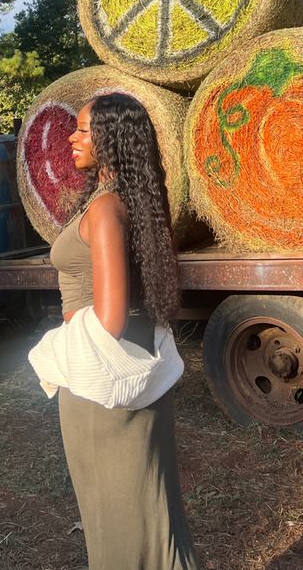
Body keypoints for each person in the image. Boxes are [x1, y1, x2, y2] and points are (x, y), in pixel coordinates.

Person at [44, 93, 200, 570]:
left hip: (101, 381)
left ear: (113, 139)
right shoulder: (126, 200)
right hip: (124, 368)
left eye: (85, 129)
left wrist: (65, 328)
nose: (73, 136)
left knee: (119, 523)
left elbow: (108, 318)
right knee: (147, 517)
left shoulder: (106, 209)